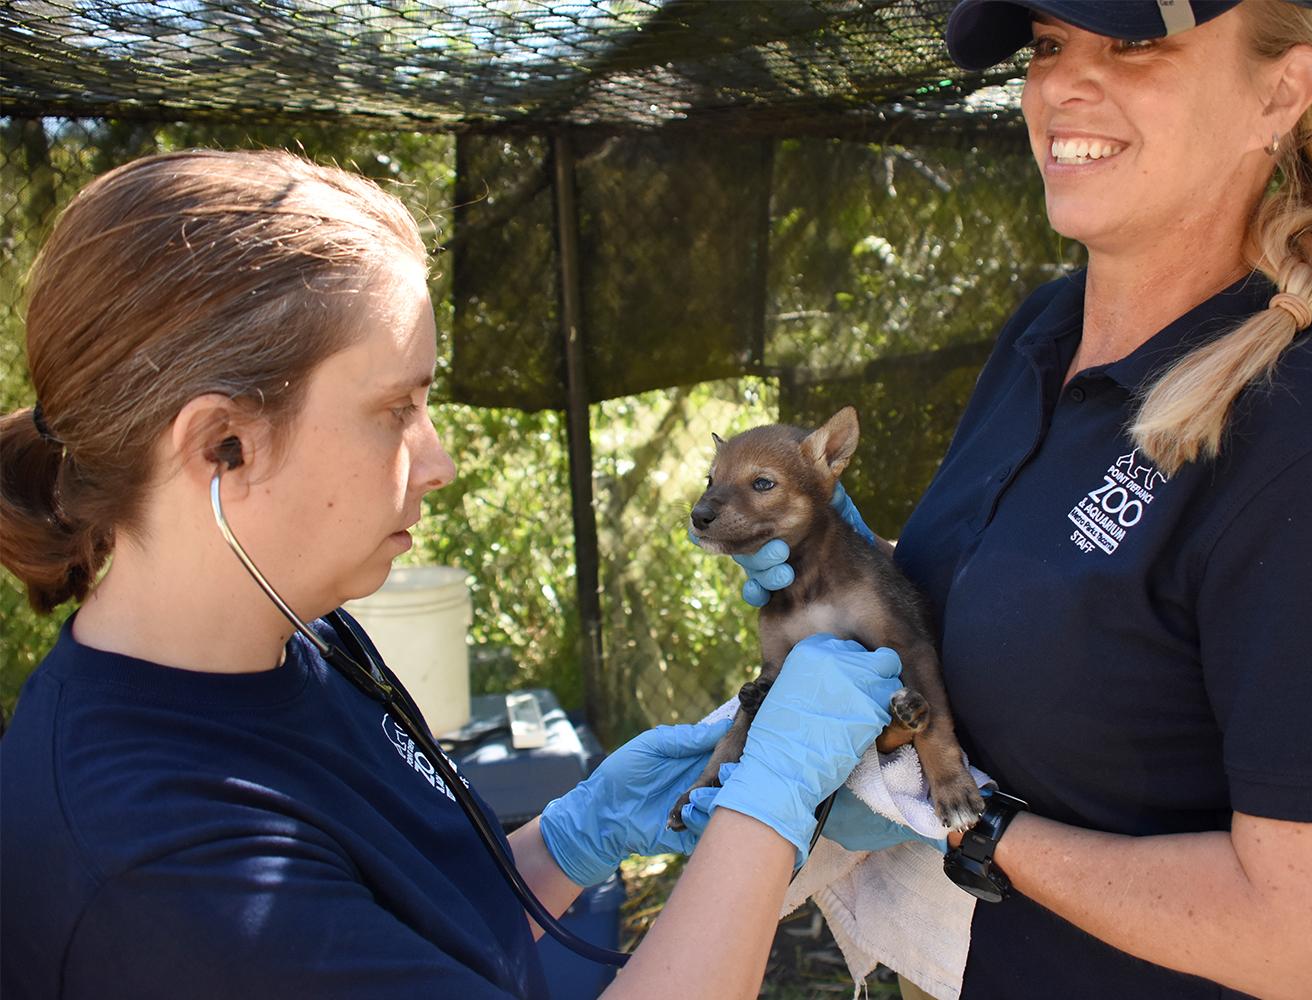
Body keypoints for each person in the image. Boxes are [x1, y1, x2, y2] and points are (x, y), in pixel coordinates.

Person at [0, 148, 906, 999]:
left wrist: (573, 835)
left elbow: (428, 922)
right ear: (221, 445)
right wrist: (766, 806)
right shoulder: (166, 871)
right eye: (397, 409)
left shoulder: (304, 637)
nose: (438, 463)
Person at [719, 2, 1312, 997]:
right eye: (1048, 44)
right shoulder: (1048, 328)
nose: (1064, 84)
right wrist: (850, 578)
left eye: (1133, 43)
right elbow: (1058, 601)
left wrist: (965, 816)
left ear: (1281, 93)